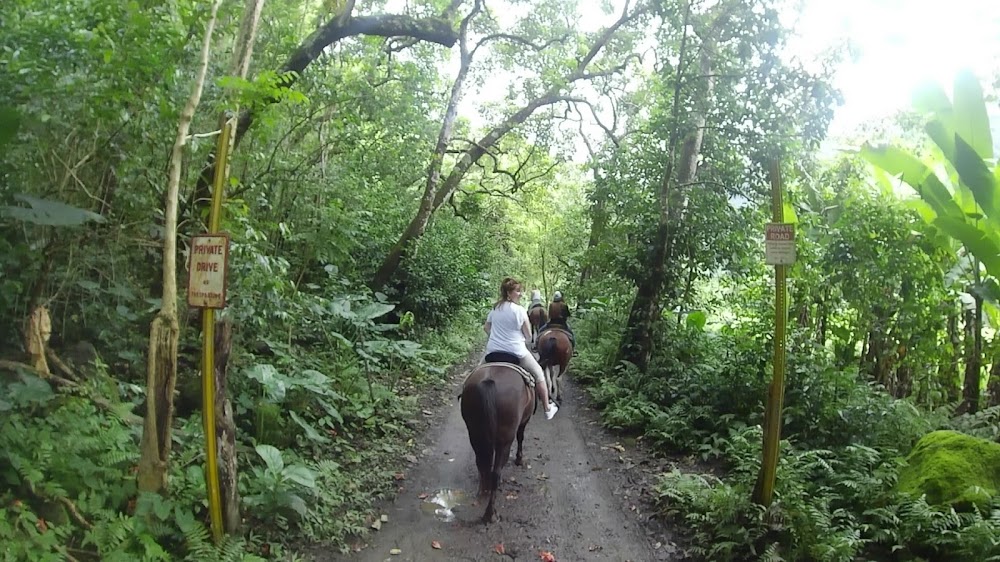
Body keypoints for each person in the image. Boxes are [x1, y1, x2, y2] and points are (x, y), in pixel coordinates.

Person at [483, 277, 558, 420]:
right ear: (508, 293)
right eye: (518, 291)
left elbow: (486, 328)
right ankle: (548, 408)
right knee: (538, 374)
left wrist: (497, 337)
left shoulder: (495, 308)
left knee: (475, 373)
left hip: (493, 351)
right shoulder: (520, 310)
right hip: (516, 352)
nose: (521, 294)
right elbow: (529, 335)